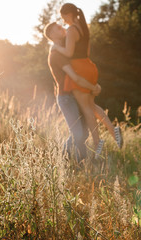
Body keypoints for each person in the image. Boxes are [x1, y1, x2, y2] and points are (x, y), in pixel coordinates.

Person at [52, 3, 123, 158]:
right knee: (91, 105)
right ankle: (113, 130)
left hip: (79, 68)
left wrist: (57, 48)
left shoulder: (71, 30)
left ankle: (98, 143)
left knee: (87, 108)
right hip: (89, 66)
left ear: (67, 14)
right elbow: (87, 51)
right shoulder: (83, 26)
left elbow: (69, 53)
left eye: (62, 16)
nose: (62, 20)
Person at [44, 22, 102, 161]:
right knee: (78, 134)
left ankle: (68, 157)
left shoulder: (65, 50)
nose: (62, 27)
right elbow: (74, 77)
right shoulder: (57, 54)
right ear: (51, 35)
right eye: (58, 28)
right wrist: (93, 87)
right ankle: (73, 162)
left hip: (76, 95)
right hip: (66, 98)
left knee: (84, 133)